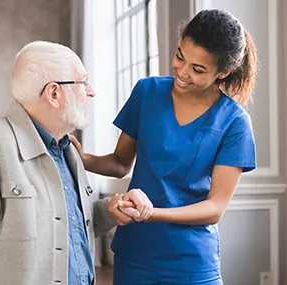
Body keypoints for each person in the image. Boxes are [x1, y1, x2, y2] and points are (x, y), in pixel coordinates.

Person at [0, 41, 151, 285]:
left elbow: (66, 224)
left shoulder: (67, 150)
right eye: (83, 83)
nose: (91, 92)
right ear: (54, 93)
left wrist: (112, 209)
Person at [71, 9, 258, 285]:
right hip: (134, 254)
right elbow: (121, 163)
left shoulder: (235, 122)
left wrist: (150, 213)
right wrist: (81, 158)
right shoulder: (147, 92)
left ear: (223, 73)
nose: (182, 73)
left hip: (191, 261)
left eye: (197, 69)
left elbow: (215, 207)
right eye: (180, 56)